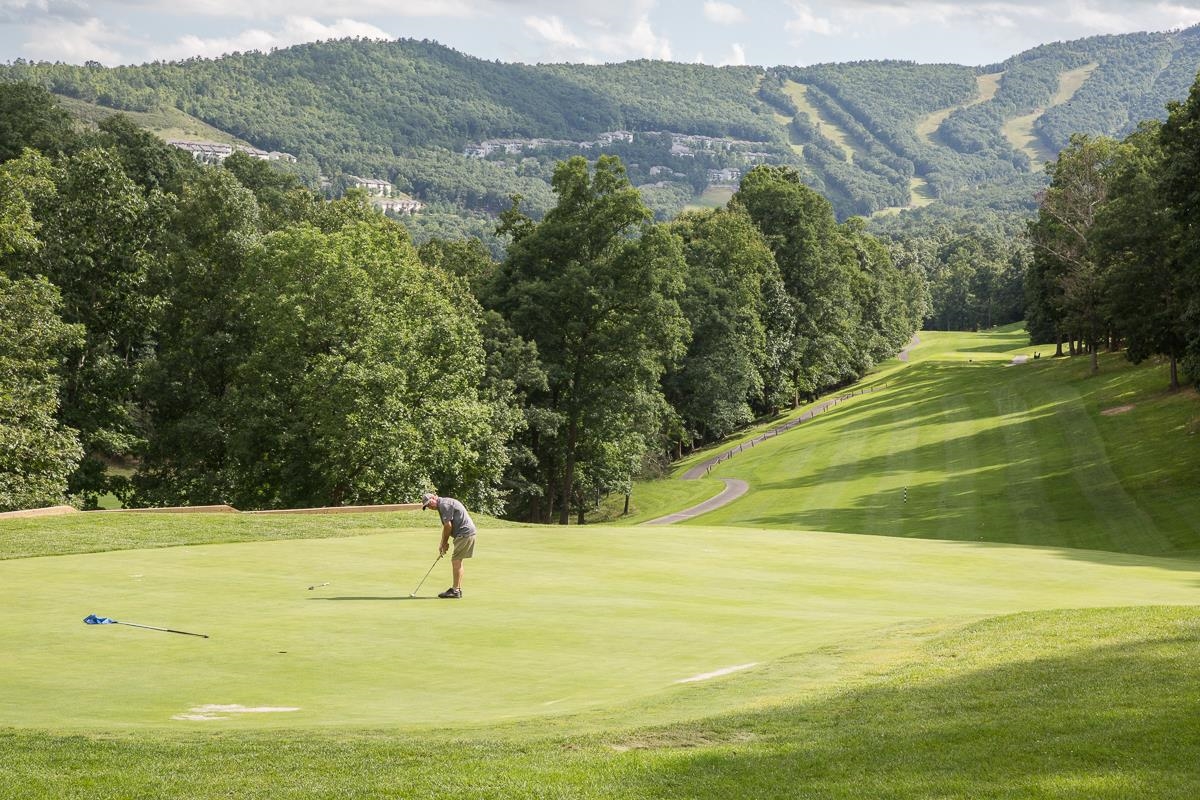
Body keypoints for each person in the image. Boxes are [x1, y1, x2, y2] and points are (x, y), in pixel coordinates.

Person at [420, 492, 476, 599]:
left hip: (464, 533)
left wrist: (444, 543)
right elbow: (447, 526)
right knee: (458, 560)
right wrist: (443, 543)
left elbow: (448, 526)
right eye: (427, 506)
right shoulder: (442, 505)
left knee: (456, 561)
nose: (430, 506)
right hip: (466, 533)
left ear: (434, 497)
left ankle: (456, 591)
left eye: (429, 503)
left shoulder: (444, 505)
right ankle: (457, 589)